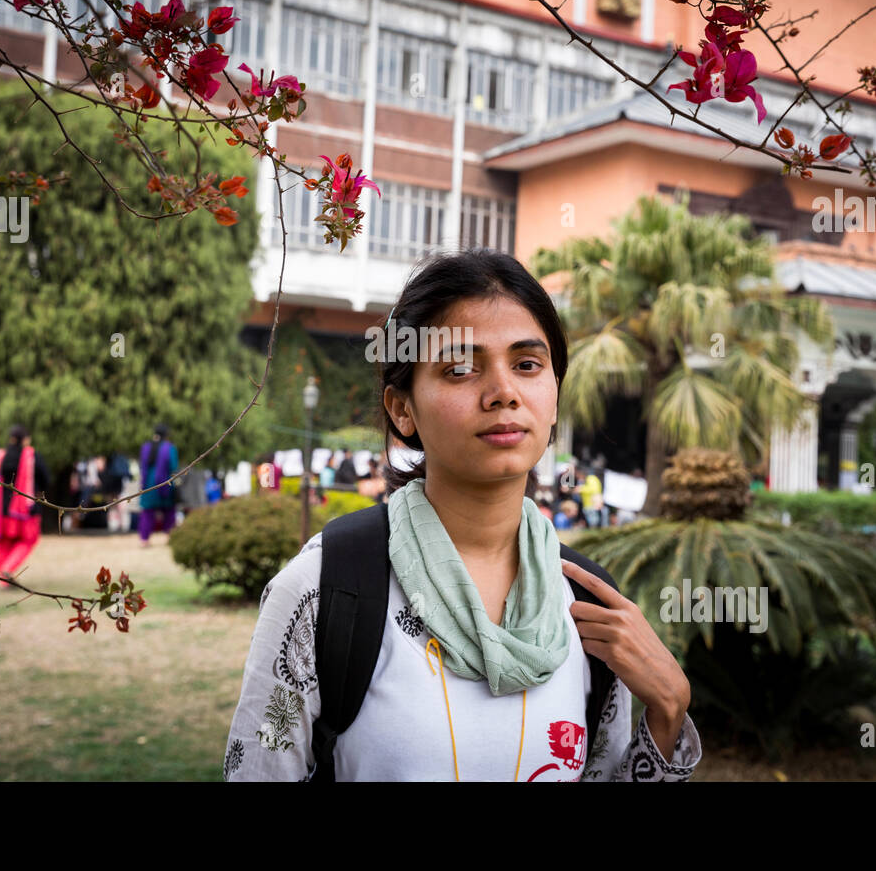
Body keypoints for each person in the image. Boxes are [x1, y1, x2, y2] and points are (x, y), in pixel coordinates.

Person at [225, 249, 700, 781]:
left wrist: (666, 714)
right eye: (458, 369)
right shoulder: (325, 589)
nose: (504, 393)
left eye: (527, 365)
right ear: (402, 409)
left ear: (555, 397)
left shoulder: (586, 607)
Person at [0, 424, 50, 588]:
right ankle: (8, 568)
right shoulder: (32, 456)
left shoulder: (0, 457)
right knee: (29, 539)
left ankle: (4, 579)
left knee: (2, 542)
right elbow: (46, 478)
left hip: (2, 510)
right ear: (25, 439)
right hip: (26, 509)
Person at [138, 423, 179, 548]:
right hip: (164, 484)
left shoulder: (145, 447)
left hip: (148, 485)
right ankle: (170, 536)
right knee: (169, 511)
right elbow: (173, 467)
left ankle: (144, 539)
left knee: (147, 512)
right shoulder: (170, 448)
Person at [102, 451, 132, 532]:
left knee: (114, 509)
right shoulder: (122, 459)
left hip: (114, 488)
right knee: (120, 509)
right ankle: (123, 527)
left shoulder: (110, 458)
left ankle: (115, 527)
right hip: (119, 487)